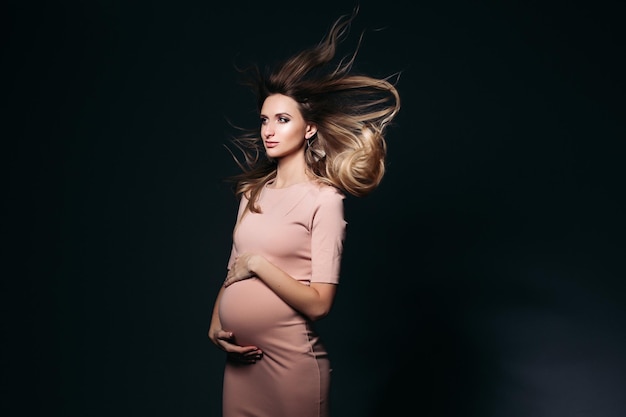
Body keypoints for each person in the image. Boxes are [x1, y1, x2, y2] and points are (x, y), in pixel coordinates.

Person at [207, 7, 400, 417]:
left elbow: (319, 304)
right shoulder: (252, 192)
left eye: (282, 119)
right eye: (264, 120)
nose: (269, 131)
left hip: (291, 368)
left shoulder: (324, 201)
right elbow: (233, 269)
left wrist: (259, 264)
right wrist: (215, 322)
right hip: (242, 365)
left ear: (308, 128)